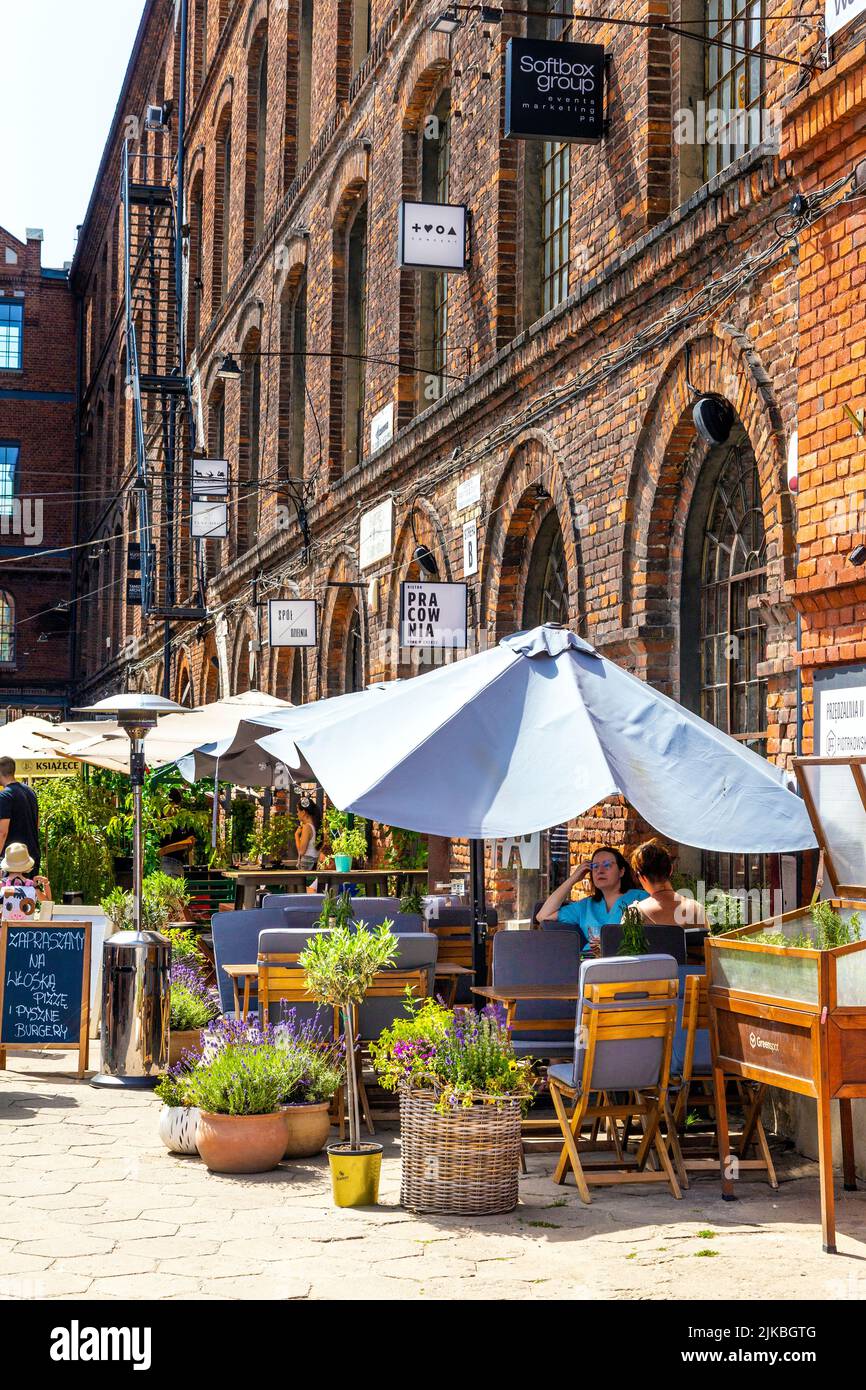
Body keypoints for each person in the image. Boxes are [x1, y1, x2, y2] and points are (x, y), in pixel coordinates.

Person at [536, 843, 647, 954]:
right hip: (589, 963)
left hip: (627, 963)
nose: (600, 870)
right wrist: (573, 878)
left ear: (621, 871)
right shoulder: (585, 906)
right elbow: (542, 915)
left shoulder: (640, 898)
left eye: (607, 865)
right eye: (595, 866)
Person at [630, 839, 705, 927]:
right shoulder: (696, 909)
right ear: (671, 869)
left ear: (643, 877)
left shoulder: (634, 914)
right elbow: (709, 940)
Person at [0, 757, 41, 875]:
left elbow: (2, 832)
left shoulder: (4, 796)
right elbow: (36, 824)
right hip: (31, 857)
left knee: (11, 893)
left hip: (13, 860)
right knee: (30, 892)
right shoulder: (30, 791)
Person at [1, 842, 51, 921]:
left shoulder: (3, 884)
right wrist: (46, 884)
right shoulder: (30, 885)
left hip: (5, 930)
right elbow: (47, 903)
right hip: (25, 930)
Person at [294, 796, 322, 874]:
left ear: (303, 812)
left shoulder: (307, 827)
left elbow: (301, 851)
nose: (297, 814)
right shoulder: (316, 826)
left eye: (298, 811)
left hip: (306, 865)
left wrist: (296, 835)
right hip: (314, 863)